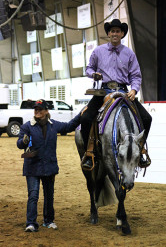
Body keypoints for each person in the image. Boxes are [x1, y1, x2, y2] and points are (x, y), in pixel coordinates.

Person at [81, 18, 152, 169]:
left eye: (118, 31)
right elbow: (88, 68)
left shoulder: (129, 54)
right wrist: (94, 74)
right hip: (103, 91)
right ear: (108, 33)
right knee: (86, 118)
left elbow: (136, 75)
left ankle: (141, 150)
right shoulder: (98, 51)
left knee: (147, 118)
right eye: (112, 31)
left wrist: (133, 90)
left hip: (123, 91)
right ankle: (90, 152)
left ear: (122, 34)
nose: (115, 33)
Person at [17, 99, 81, 232]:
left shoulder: (54, 125)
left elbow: (69, 126)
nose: (37, 111)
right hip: (32, 167)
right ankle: (31, 223)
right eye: (36, 109)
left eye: (40, 109)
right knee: (33, 195)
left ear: (46, 111)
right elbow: (19, 144)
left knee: (49, 195)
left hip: (49, 167)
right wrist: (23, 141)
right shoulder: (27, 127)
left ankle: (48, 221)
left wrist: (81, 115)